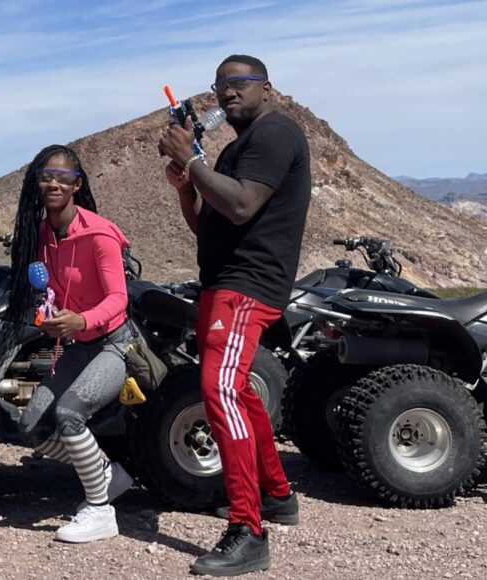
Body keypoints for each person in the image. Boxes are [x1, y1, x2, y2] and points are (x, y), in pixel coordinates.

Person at [158, 54, 309, 576]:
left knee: (219, 391)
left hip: (247, 288)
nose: (227, 93)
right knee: (239, 390)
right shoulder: (237, 150)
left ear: (266, 88)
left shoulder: (275, 133)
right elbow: (212, 225)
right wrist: (187, 187)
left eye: (239, 83)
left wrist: (193, 160)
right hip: (223, 285)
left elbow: (243, 206)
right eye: (220, 85)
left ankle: (248, 531)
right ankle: (277, 496)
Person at [0, 144, 135, 543]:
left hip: (114, 342)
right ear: (36, 182)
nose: (54, 183)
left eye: (63, 178)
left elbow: (118, 299)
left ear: (77, 185)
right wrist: (50, 317)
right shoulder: (42, 234)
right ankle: (107, 475)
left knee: (70, 413)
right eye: (46, 176)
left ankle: (100, 509)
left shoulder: (98, 233)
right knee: (29, 426)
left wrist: (81, 319)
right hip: (78, 344)